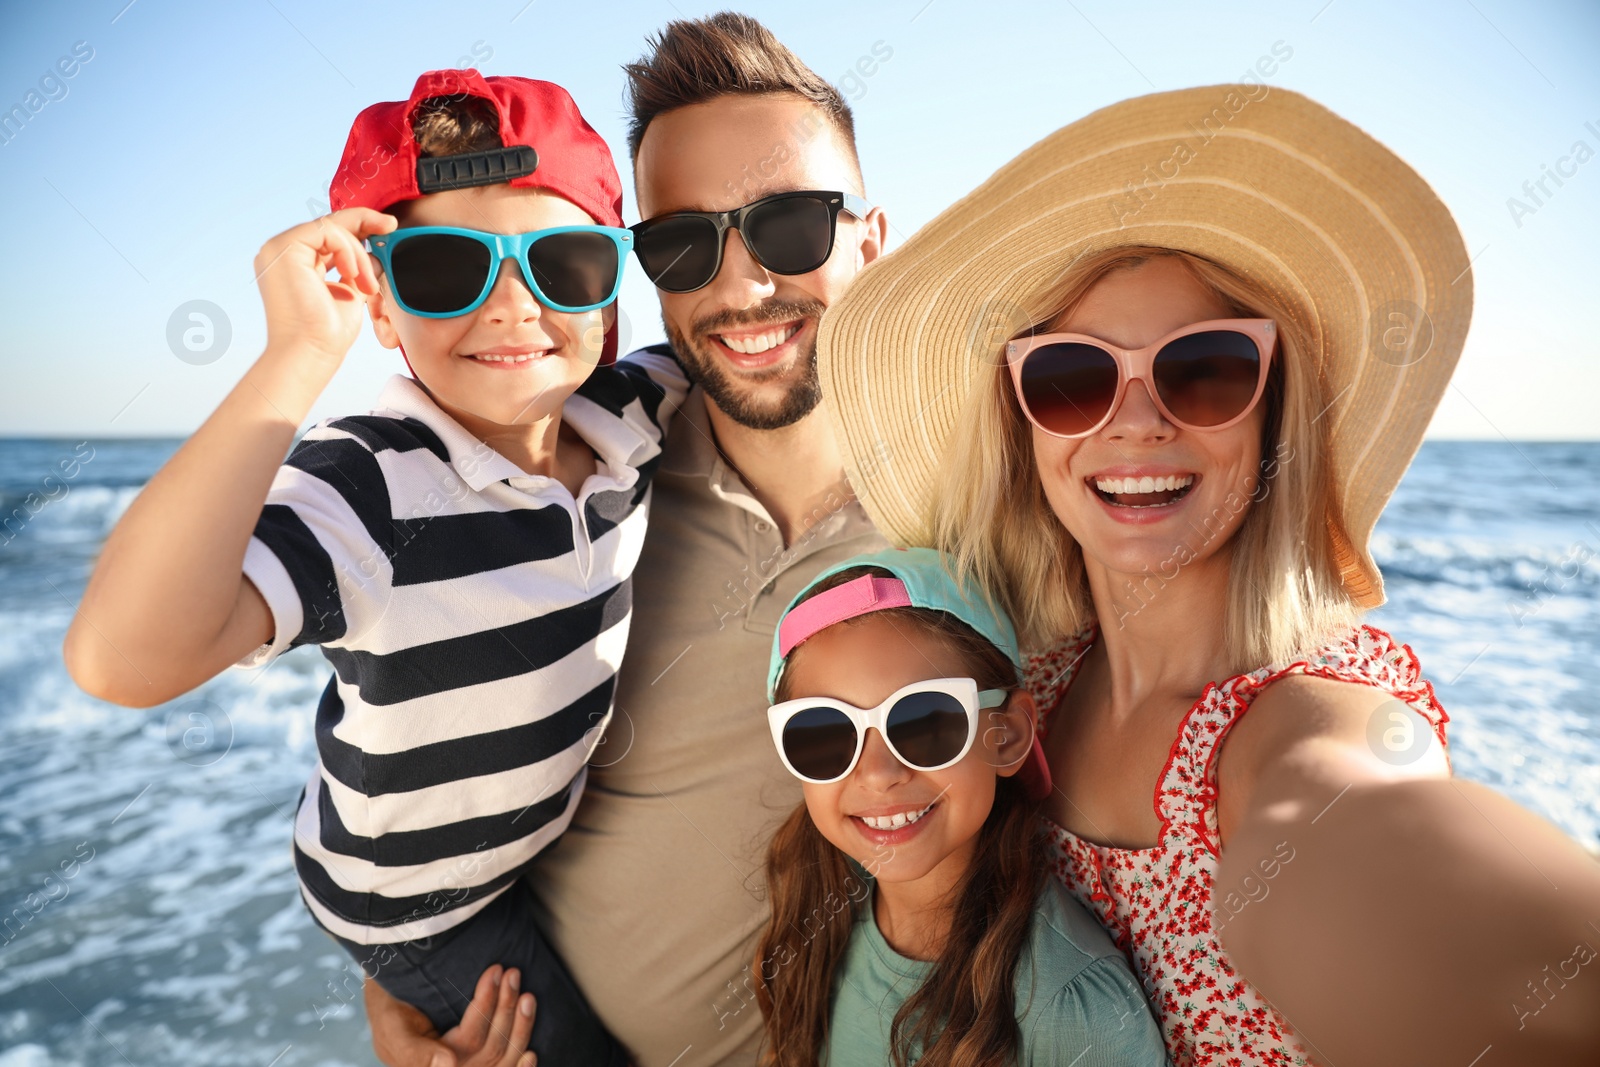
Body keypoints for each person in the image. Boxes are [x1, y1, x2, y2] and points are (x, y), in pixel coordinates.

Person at [818, 86, 1600, 1065]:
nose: (1137, 421)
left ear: (1274, 410)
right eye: (1072, 377)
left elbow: (1362, 831)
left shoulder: (1311, 723)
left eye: (1205, 369)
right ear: (1020, 426)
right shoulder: (1032, 686)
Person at [63, 69, 690, 1066]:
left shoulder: (625, 411)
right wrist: (297, 355)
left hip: (520, 837)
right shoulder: (368, 483)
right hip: (420, 899)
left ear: (611, 280)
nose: (512, 305)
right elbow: (122, 658)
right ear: (383, 306)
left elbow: (768, 351)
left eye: (563, 262)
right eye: (446, 269)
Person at [363, 15, 892, 1067]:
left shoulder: (988, 486)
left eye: (789, 226)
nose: (740, 287)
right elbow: (414, 757)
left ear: (868, 240)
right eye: (685, 242)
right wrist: (410, 986)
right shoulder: (582, 486)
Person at [755, 547, 1169, 1066]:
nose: (880, 773)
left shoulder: (1075, 1010)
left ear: (1006, 735)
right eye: (824, 733)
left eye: (926, 723)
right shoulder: (821, 926)